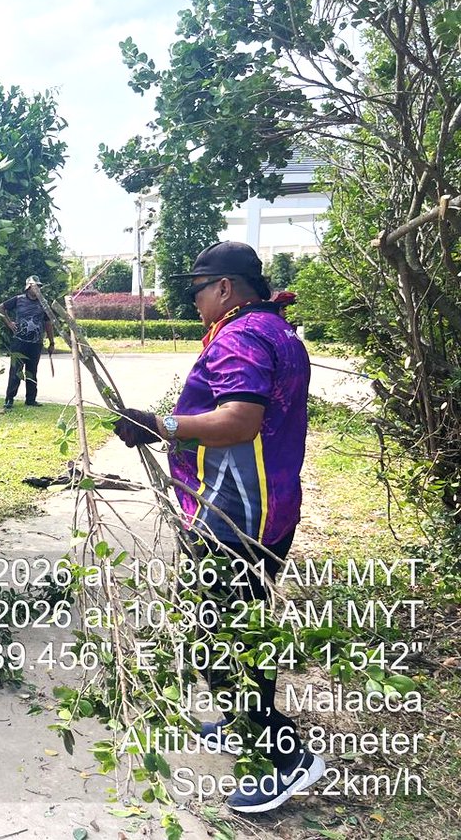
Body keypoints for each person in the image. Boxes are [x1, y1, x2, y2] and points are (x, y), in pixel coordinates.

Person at [112, 241, 322, 813]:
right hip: (268, 510)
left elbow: (239, 419)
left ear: (225, 288)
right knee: (239, 631)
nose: (195, 299)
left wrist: (161, 424)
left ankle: (284, 759)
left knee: (220, 642)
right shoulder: (276, 329)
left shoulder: (241, 336)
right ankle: (241, 724)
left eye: (198, 289)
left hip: (235, 519)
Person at [0, 275, 55, 410]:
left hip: (36, 343)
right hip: (19, 342)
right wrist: (9, 323)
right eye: (35, 286)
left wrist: (52, 342)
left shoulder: (43, 303)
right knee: (15, 371)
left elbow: (48, 323)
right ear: (28, 287)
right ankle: (9, 399)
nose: (37, 289)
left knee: (32, 371)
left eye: (39, 286)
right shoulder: (18, 300)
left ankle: (31, 399)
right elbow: (1, 308)